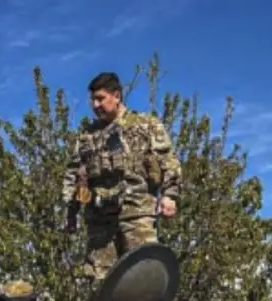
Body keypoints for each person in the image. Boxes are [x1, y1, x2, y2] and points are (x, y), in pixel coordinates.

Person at [61, 71, 182, 283]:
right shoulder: (87, 137)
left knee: (145, 275)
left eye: (100, 99)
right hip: (99, 219)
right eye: (93, 100)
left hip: (136, 212)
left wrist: (170, 195)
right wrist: (70, 214)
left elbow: (167, 160)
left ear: (116, 96)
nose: (95, 105)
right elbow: (73, 175)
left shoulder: (145, 125)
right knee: (100, 282)